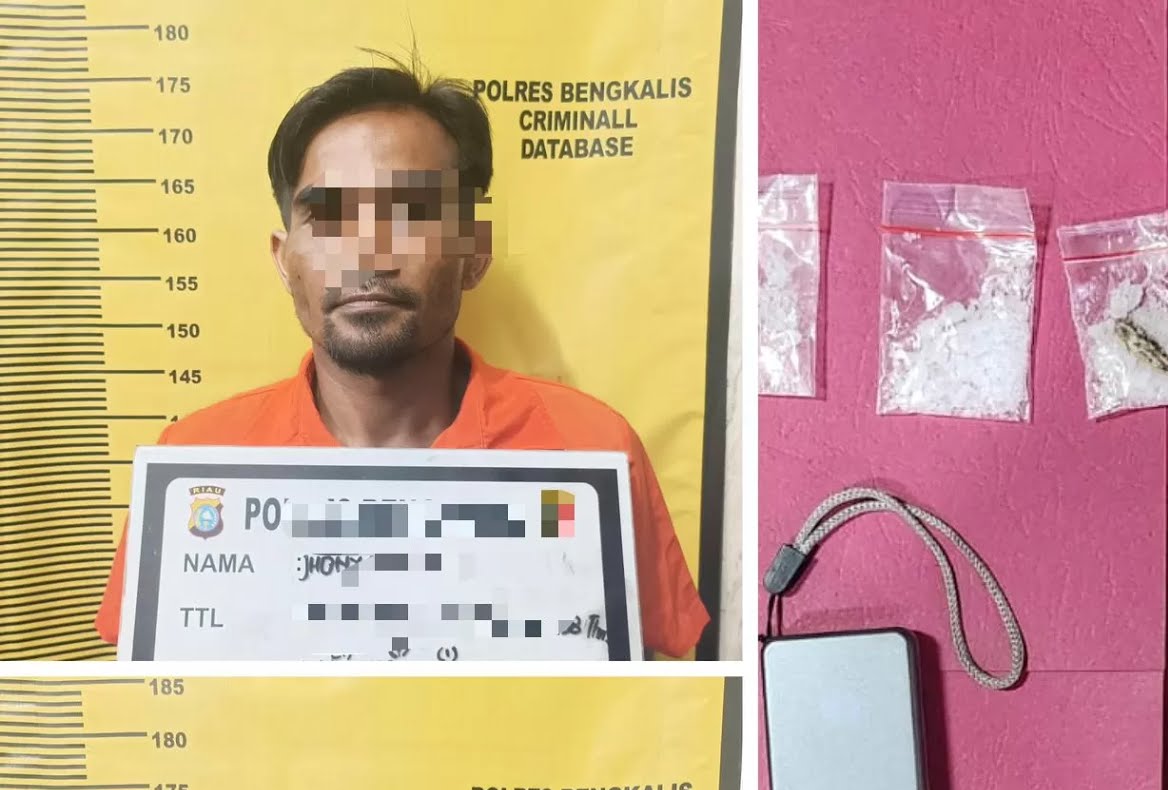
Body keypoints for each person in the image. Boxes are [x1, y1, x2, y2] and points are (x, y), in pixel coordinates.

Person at [93, 59, 708, 658]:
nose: (368, 252)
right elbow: (153, 697)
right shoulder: (196, 463)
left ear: (475, 252)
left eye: (412, 212)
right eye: (328, 217)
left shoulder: (592, 447)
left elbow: (655, 688)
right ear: (284, 259)